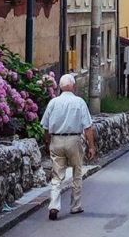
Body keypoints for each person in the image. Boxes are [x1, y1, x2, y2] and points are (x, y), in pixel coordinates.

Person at [41, 74, 96, 221]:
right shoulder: (79, 102)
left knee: (56, 175)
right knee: (77, 172)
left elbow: (45, 126)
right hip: (74, 139)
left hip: (56, 139)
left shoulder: (53, 102)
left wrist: (47, 141)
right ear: (73, 86)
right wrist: (91, 146)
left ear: (60, 86)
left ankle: (54, 205)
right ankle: (75, 205)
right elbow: (88, 127)